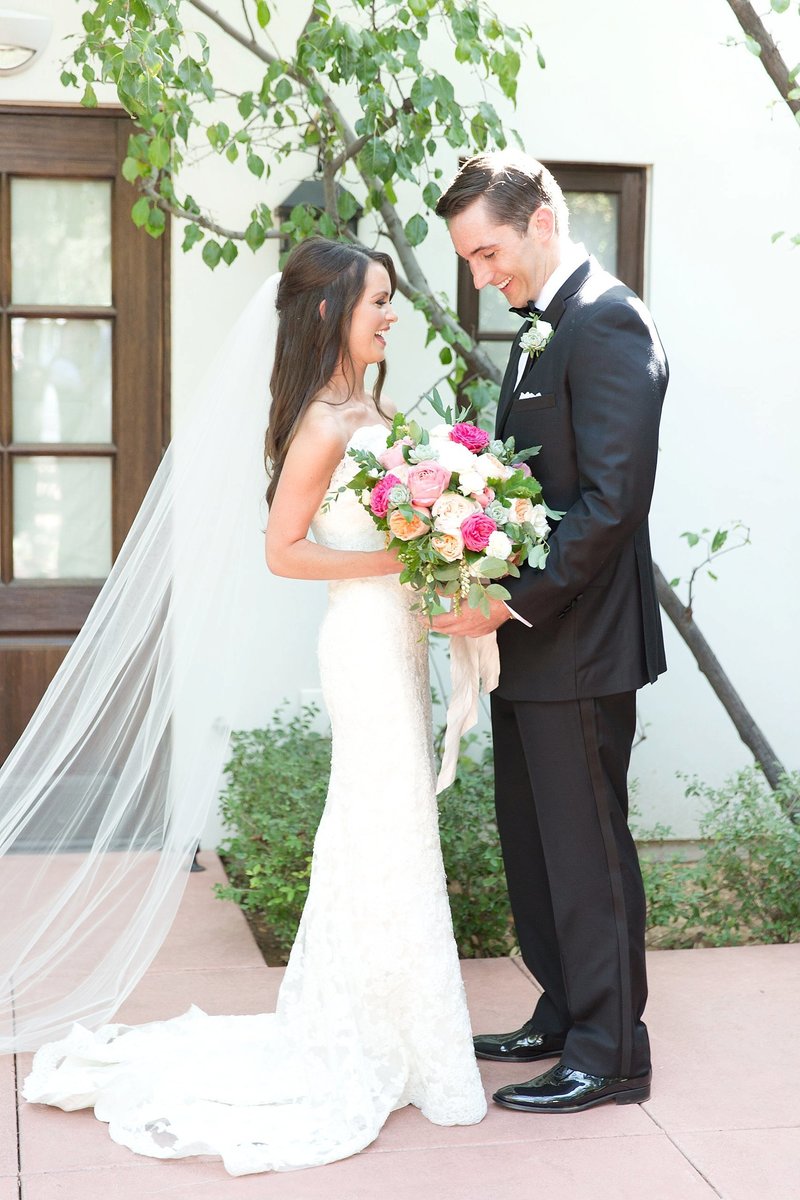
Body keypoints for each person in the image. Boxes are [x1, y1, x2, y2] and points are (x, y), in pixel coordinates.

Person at [20, 237, 486, 1174]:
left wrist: (445, 559)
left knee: (387, 831)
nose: (391, 316)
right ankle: (374, 1034)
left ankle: (392, 1022)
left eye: (392, 301)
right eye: (376, 303)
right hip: (359, 640)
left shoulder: (371, 404)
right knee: (379, 822)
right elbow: (285, 550)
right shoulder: (322, 420)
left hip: (394, 636)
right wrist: (402, 562)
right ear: (330, 314)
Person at [432, 152, 668, 1113]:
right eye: (469, 261)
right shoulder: (545, 328)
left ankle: (611, 1051)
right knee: (533, 847)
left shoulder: (609, 320)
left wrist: (510, 601)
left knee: (587, 853)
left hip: (577, 642)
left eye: (489, 253)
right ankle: (566, 1010)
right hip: (527, 642)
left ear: (542, 219)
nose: (484, 276)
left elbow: (612, 505)